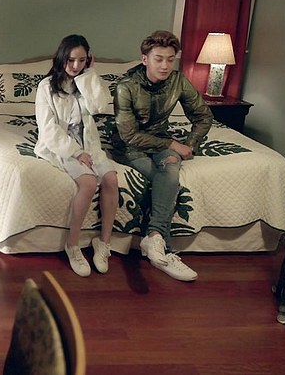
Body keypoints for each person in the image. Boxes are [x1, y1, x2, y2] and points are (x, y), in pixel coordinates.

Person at [112, 30, 213, 281]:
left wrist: (190, 144)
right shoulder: (126, 86)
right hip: (130, 147)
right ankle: (166, 250)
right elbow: (129, 135)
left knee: (169, 171)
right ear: (144, 59)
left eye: (170, 59)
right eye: (158, 59)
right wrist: (172, 144)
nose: (165, 65)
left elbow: (203, 116)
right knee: (165, 180)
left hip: (160, 143)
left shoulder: (178, 81)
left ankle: (154, 238)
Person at [35, 34, 119, 277]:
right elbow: (48, 130)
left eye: (82, 60)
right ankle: (72, 245)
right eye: (71, 60)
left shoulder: (86, 80)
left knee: (111, 179)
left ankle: (103, 243)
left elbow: (99, 107)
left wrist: (88, 75)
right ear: (62, 57)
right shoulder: (46, 87)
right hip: (64, 145)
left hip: (90, 143)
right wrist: (76, 152)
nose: (75, 66)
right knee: (89, 183)